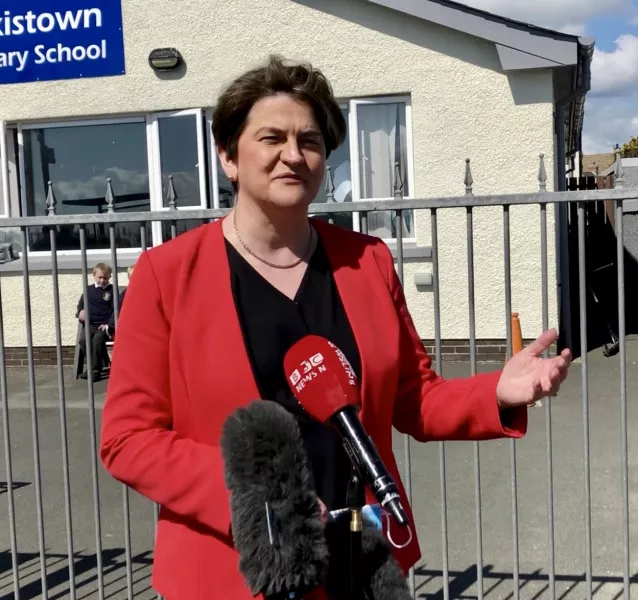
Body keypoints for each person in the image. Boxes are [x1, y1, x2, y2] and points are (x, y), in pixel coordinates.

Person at [99, 56, 571, 600]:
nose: (293, 155)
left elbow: (414, 398)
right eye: (271, 137)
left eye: (311, 141)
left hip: (361, 563)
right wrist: (255, 497)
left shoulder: (366, 262)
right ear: (228, 156)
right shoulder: (167, 275)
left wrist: (499, 391)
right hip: (232, 572)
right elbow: (128, 439)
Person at [77, 262, 114, 381]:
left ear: (109, 277)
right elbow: (81, 304)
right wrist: (80, 311)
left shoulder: (111, 291)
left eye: (105, 278)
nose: (103, 280)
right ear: (94, 275)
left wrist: (109, 324)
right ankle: (95, 365)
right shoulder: (88, 290)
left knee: (97, 340)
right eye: (100, 277)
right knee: (83, 340)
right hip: (91, 324)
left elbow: (115, 310)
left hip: (105, 325)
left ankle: (95, 371)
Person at [107, 263, 136, 331]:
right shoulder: (126, 293)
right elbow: (118, 307)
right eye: (133, 278)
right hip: (129, 322)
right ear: (129, 278)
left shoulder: (147, 291)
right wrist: (111, 324)